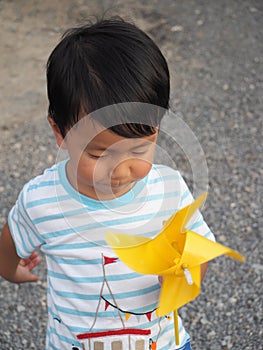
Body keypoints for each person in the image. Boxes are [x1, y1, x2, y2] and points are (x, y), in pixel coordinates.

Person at [0, 18, 214, 350]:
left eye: (139, 149)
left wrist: (184, 275)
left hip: (162, 342)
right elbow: (11, 240)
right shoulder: (41, 201)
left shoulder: (169, 191)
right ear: (60, 132)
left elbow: (198, 251)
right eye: (99, 153)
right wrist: (11, 271)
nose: (119, 170)